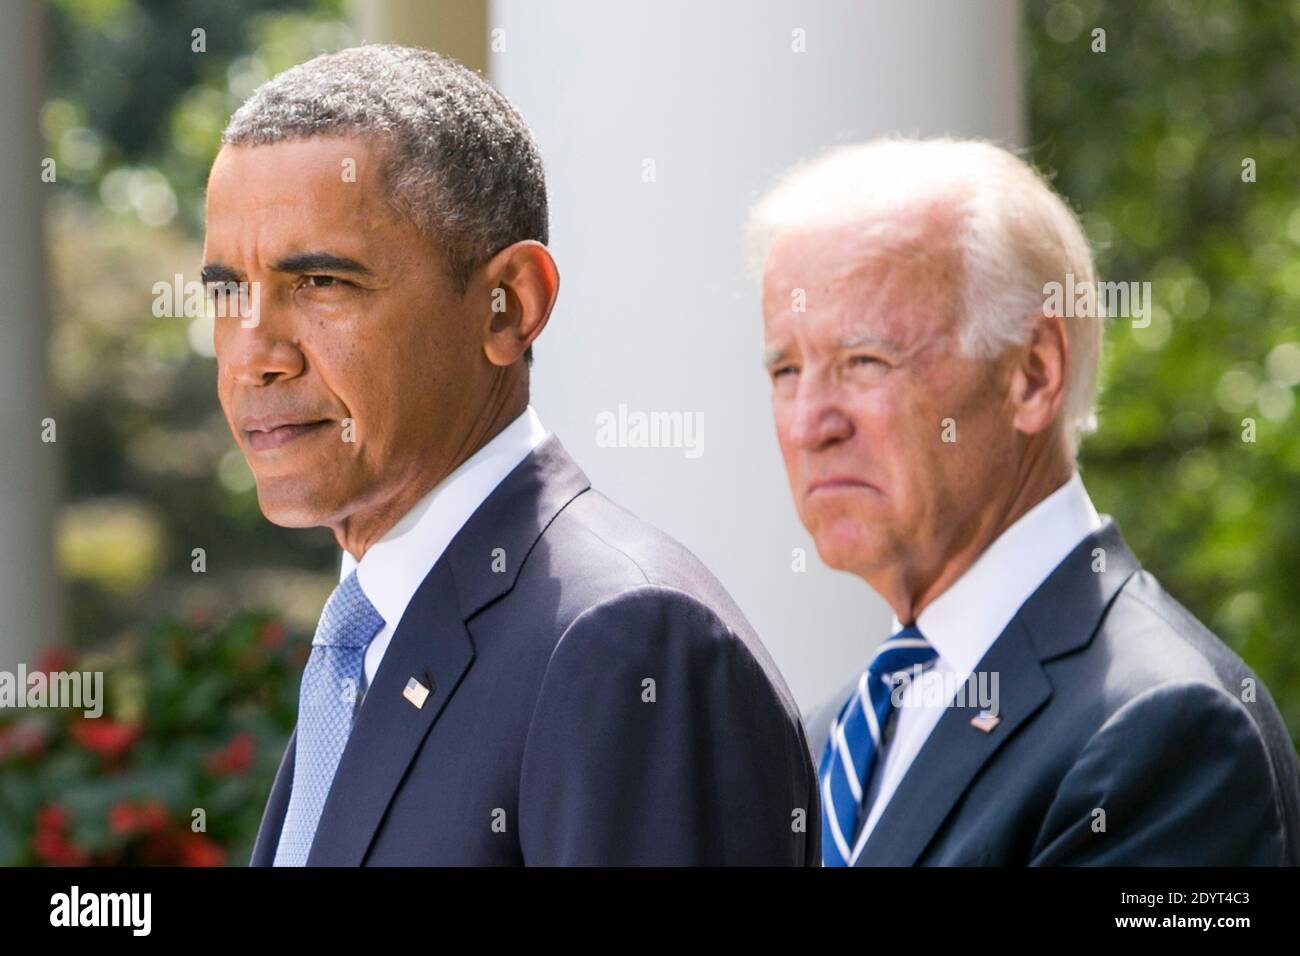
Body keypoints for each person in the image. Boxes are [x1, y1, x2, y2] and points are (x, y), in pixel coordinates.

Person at [205, 44, 817, 865]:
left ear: (509, 306)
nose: (254, 355)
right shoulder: (365, 640)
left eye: (322, 284)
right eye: (225, 293)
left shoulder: (626, 643)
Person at [748, 136, 1300, 865]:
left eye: (864, 361)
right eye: (786, 369)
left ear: (1033, 375)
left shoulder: (1168, 732)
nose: (809, 422)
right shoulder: (830, 740)